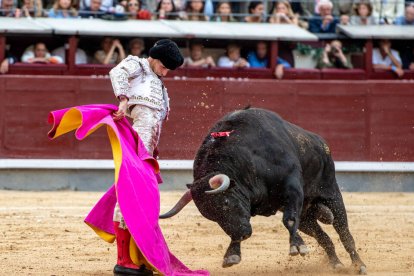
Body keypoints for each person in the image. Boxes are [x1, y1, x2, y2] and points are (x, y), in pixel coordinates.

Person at [109, 39, 184, 275]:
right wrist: (123, 99)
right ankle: (123, 260)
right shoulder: (138, 66)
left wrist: (152, 150)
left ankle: (136, 256)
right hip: (136, 151)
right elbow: (116, 71)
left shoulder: (159, 84)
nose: (166, 72)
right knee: (130, 198)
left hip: (146, 153)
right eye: (164, 66)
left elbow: (153, 124)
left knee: (142, 203)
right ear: (154, 58)